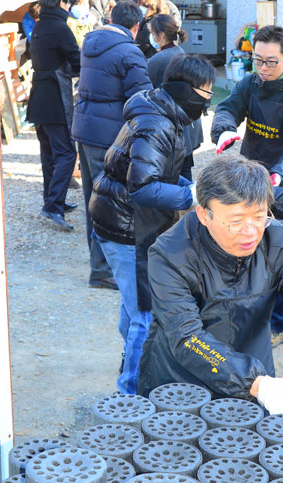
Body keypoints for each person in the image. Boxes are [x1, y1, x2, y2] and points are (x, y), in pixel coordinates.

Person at [138, 156, 283, 415]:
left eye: (259, 216)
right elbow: (186, 336)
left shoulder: (279, 241)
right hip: (182, 379)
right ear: (204, 215)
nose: (250, 231)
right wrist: (255, 383)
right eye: (237, 220)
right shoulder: (169, 254)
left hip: (254, 367)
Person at [89, 53, 216, 394]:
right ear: (182, 90)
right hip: (126, 226)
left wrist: (189, 189)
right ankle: (130, 392)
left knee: (133, 307)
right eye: (203, 94)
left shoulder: (161, 109)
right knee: (145, 313)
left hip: (117, 217)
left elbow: (160, 172)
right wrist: (191, 198)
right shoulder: (157, 123)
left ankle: (129, 363)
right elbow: (143, 187)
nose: (206, 102)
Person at [211, 25, 283, 347]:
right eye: (257, 60)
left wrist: (278, 175)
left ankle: (279, 324)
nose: (263, 68)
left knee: (276, 253)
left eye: (271, 62)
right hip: (249, 178)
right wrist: (225, 129)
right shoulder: (251, 83)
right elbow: (228, 107)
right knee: (244, 247)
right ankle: (248, 316)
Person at [72, 0, 152, 290]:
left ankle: (101, 266)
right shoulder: (129, 51)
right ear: (135, 26)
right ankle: (104, 269)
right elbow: (141, 100)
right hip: (109, 135)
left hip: (84, 128)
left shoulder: (91, 41)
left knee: (92, 200)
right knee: (108, 203)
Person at [27, 0, 81, 232]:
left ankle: (52, 199)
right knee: (67, 153)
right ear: (62, 3)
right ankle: (53, 205)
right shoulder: (60, 27)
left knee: (49, 152)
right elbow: (78, 62)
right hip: (55, 97)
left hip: (38, 95)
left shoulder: (40, 25)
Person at [147, 13, 201, 180]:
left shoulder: (158, 59)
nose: (151, 36)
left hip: (173, 127)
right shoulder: (181, 52)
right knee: (185, 172)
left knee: (174, 177)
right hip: (188, 125)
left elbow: (147, 91)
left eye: (153, 32)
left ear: (161, 35)